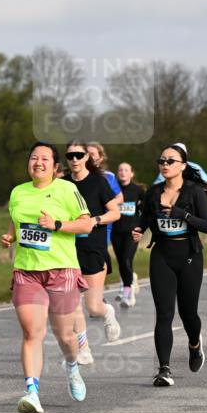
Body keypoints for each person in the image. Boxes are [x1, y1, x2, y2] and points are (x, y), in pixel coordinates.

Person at [1, 142, 95, 413]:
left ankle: (72, 366)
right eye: (33, 157)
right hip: (26, 271)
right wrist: (10, 237)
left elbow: (87, 223)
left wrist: (56, 225)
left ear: (55, 167)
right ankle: (32, 392)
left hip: (61, 270)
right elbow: (16, 224)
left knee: (65, 334)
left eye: (44, 159)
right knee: (32, 333)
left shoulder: (67, 189)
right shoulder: (18, 192)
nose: (38, 162)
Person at [132, 144, 207, 385]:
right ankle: (164, 369)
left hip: (189, 255)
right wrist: (139, 229)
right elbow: (145, 218)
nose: (165, 164)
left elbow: (206, 226)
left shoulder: (194, 192)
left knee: (189, 314)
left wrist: (182, 214)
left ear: (183, 166)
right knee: (164, 313)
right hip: (162, 255)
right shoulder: (154, 192)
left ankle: (195, 344)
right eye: (162, 160)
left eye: (171, 161)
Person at [66, 140, 123, 364]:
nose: (75, 160)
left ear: (86, 157)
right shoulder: (61, 184)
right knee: (72, 303)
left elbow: (115, 213)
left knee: (92, 306)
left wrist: (95, 221)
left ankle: (107, 312)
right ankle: (84, 349)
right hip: (68, 250)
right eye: (70, 156)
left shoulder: (98, 182)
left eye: (79, 155)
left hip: (93, 248)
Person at [112, 162, 144, 308]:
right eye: (120, 170)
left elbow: (147, 209)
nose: (123, 172)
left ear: (132, 173)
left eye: (126, 170)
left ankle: (127, 292)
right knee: (122, 262)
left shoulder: (138, 190)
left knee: (126, 259)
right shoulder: (113, 188)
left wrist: (141, 227)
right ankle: (129, 281)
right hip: (116, 231)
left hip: (132, 232)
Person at [86, 141, 122, 251]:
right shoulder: (78, 175)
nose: (89, 157)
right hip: (80, 222)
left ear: (101, 157)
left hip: (103, 225)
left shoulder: (109, 177)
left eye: (92, 154)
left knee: (98, 255)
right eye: (86, 153)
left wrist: (105, 205)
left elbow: (120, 198)